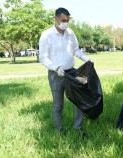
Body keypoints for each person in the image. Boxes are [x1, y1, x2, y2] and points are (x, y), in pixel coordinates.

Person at [39, 7, 91, 136]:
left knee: (78, 101)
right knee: (58, 105)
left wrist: (86, 58)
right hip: (56, 74)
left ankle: (78, 128)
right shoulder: (47, 35)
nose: (65, 23)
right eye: (63, 20)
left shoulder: (70, 33)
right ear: (56, 18)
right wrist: (55, 67)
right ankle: (60, 131)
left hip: (72, 73)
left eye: (67, 20)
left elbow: (76, 50)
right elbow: (43, 57)